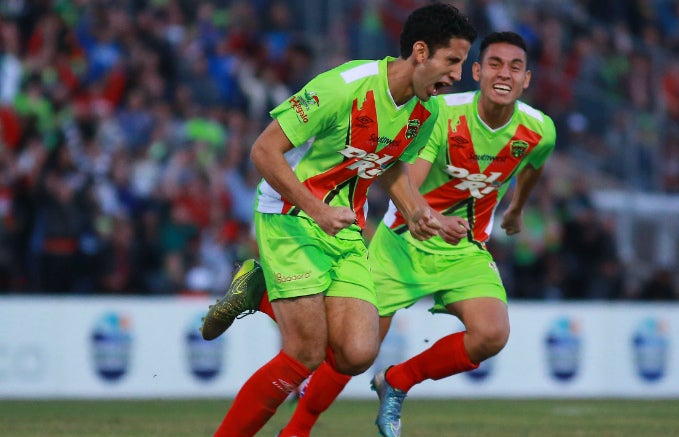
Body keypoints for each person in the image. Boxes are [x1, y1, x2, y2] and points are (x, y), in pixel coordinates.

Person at [203, 30, 556, 437]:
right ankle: (289, 429)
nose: (458, 75)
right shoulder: (343, 86)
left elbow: (392, 167)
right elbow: (263, 150)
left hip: (347, 226)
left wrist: (426, 216)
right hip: (291, 213)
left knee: (356, 354)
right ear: (421, 53)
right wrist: (316, 209)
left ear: (526, 77)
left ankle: (258, 292)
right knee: (306, 352)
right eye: (453, 63)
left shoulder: (428, 111)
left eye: (462, 64)